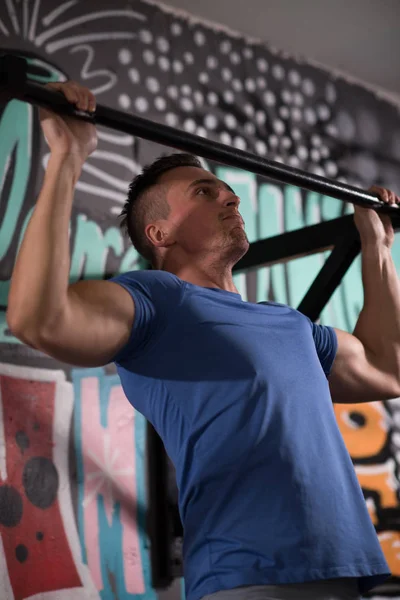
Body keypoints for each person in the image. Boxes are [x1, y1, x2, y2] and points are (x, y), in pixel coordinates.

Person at [7, 81, 400, 600]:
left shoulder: (291, 325)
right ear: (159, 235)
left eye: (226, 190)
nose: (229, 197)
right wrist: (68, 157)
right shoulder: (154, 299)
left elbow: (388, 369)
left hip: (347, 571)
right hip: (246, 576)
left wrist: (376, 245)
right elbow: (40, 319)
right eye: (203, 192)